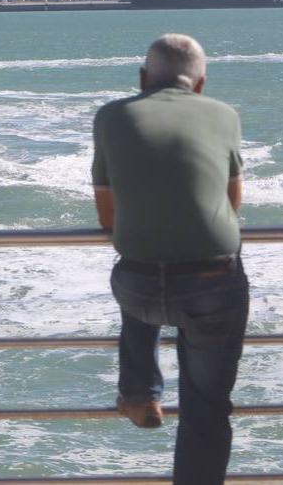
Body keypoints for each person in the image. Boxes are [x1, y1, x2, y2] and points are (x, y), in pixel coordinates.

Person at [91, 33, 248, 485]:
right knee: (207, 404)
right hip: (213, 280)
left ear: (143, 78)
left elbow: (108, 217)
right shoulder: (223, 115)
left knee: (136, 273)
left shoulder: (111, 116)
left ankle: (141, 393)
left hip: (140, 285)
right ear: (200, 84)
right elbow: (232, 202)